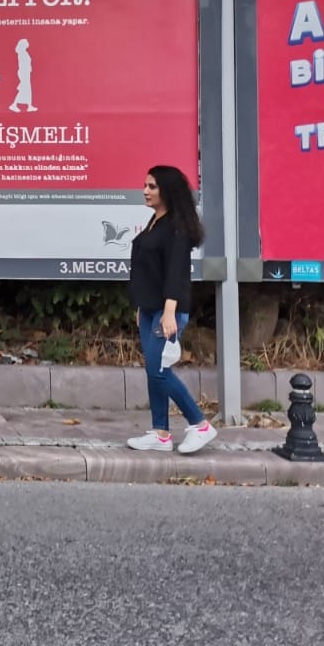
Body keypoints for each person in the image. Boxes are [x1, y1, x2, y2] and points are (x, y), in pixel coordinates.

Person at [126, 164, 216, 454]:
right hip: (149, 309)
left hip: (167, 311)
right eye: (145, 185)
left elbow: (176, 273)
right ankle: (161, 433)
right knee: (154, 370)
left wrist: (168, 313)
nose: (145, 191)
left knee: (160, 371)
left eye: (152, 186)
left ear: (167, 190)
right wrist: (143, 305)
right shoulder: (155, 221)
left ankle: (200, 425)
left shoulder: (176, 228)